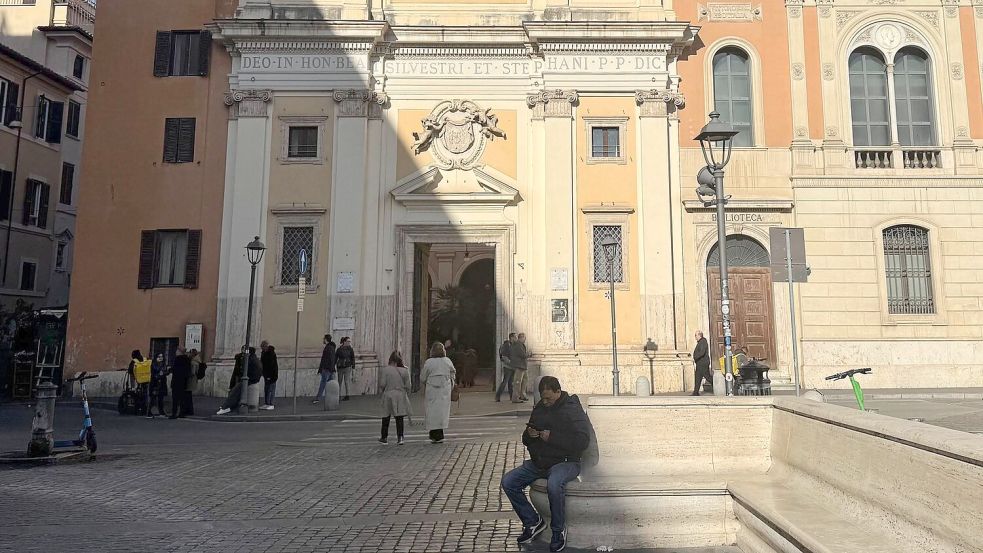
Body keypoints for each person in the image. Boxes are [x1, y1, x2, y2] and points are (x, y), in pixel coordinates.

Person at [501, 377, 590, 553]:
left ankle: (558, 531)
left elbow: (582, 441)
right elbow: (525, 439)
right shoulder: (540, 407)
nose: (546, 402)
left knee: (554, 484)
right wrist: (530, 434)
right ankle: (532, 521)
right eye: (543, 398)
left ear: (558, 392)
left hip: (566, 462)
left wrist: (552, 437)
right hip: (540, 462)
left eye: (549, 398)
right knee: (509, 481)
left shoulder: (572, 408)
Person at [421, 342, 456, 443]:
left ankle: (433, 434)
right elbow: (453, 372)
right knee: (442, 412)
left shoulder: (429, 362)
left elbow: (423, 377)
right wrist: (451, 383)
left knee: (432, 412)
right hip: (444, 390)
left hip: (432, 390)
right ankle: (439, 434)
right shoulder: (447, 361)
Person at [378, 351, 412, 445]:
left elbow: (382, 384)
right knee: (399, 417)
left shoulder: (386, 370)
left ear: (390, 359)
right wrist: (407, 394)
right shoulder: (405, 370)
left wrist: (382, 392)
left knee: (386, 416)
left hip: (388, 394)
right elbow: (408, 386)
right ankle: (400, 438)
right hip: (400, 395)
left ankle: (384, 437)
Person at [217, 347, 262, 415]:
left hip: (250, 379)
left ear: (248, 353)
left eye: (244, 351)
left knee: (235, 391)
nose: (243, 353)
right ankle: (228, 406)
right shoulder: (254, 358)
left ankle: (226, 407)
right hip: (252, 379)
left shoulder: (250, 360)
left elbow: (246, 370)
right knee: (236, 390)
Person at [169, 348, 192, 419]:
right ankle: (182, 413)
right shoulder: (187, 360)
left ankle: (174, 413)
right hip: (183, 382)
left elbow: (174, 370)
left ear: (179, 352)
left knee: (175, 399)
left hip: (176, 381)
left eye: (177, 350)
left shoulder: (177, 359)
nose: (176, 352)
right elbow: (188, 372)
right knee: (182, 399)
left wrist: (170, 370)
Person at [313, 334, 336, 404]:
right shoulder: (331, 347)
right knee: (330, 384)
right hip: (330, 369)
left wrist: (322, 369)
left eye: (323, 339)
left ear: (326, 339)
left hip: (327, 369)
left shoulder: (328, 348)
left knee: (323, 384)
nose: (323, 340)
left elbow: (326, 360)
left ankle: (318, 398)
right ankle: (331, 398)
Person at [509, 332, 530, 403]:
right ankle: (515, 398)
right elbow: (522, 355)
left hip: (523, 366)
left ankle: (522, 395)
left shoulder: (520, 344)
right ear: (521, 338)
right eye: (524, 338)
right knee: (517, 382)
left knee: (525, 380)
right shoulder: (518, 344)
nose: (525, 339)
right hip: (519, 366)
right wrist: (528, 354)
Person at [495, 333, 516, 402]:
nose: (516, 338)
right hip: (508, 367)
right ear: (511, 337)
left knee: (511, 383)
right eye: (515, 337)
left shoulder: (513, 345)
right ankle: (497, 396)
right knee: (505, 382)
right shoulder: (506, 345)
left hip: (513, 366)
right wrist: (510, 362)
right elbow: (503, 356)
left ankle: (511, 396)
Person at [147, 353, 168, 418]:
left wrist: (165, 373)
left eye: (162, 356)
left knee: (161, 398)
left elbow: (165, 372)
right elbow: (154, 374)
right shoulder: (154, 364)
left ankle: (161, 411)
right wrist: (160, 374)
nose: (160, 358)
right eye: (159, 356)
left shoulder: (164, 365)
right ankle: (149, 412)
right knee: (153, 399)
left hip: (162, 383)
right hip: (155, 384)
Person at [335, 337, 355, 401]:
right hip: (340, 367)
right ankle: (338, 395)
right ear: (344, 342)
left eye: (349, 341)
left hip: (347, 367)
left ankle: (347, 395)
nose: (349, 342)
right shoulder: (339, 349)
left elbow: (353, 358)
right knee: (339, 381)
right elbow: (335, 358)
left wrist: (353, 367)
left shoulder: (350, 349)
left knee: (346, 381)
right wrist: (333, 366)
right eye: (348, 341)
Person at [260, 341, 279, 410]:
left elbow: (272, 366)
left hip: (272, 375)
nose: (262, 348)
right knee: (267, 389)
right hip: (266, 374)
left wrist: (269, 376)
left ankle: (271, 404)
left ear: (266, 347)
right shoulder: (264, 353)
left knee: (271, 389)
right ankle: (267, 403)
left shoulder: (271, 354)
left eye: (262, 347)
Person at [692, 331, 712, 396]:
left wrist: (695, 357)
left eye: (696, 335)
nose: (695, 337)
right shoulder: (701, 342)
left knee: (707, 377)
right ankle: (695, 392)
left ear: (699, 335)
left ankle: (718, 386)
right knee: (698, 377)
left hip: (703, 363)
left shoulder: (703, 341)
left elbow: (702, 352)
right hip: (700, 363)